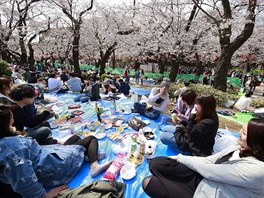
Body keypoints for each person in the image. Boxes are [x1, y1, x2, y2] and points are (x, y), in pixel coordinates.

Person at [0, 105, 111, 198]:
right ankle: (94, 165)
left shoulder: (7, 141)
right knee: (91, 138)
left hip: (48, 156)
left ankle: (87, 155)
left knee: (76, 137)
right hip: (54, 165)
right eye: (11, 118)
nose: (13, 119)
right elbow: (24, 179)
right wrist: (44, 195)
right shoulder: (12, 150)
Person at [143, 118, 264, 198]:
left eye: (244, 133)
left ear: (256, 141)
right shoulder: (237, 147)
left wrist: (182, 158)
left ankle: (170, 183)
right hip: (204, 177)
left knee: (148, 182)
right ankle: (170, 182)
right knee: (156, 162)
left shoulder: (258, 170)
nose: (238, 133)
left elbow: (211, 171)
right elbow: (210, 160)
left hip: (206, 193)